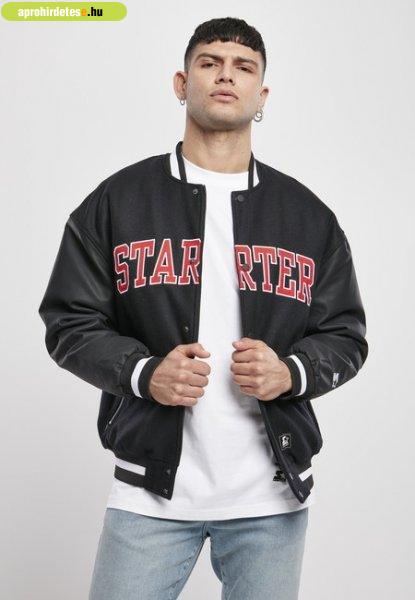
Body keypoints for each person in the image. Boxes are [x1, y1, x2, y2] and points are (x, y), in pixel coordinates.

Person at [38, 17, 368, 600]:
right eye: (209, 63)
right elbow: (69, 322)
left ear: (262, 95)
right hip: (150, 493)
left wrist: (290, 372)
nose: (225, 76)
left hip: (270, 497)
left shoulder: (308, 217)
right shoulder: (118, 201)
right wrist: (144, 373)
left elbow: (345, 335)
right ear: (181, 83)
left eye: (244, 68)